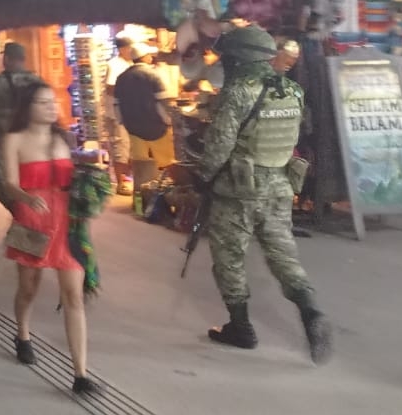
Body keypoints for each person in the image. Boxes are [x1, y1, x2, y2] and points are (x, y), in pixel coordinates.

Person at [195, 24, 332, 364]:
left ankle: (240, 327)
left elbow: (219, 146)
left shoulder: (238, 91)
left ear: (238, 59)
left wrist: (203, 179)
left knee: (229, 259)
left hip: (237, 193)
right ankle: (311, 311)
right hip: (279, 189)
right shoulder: (292, 91)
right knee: (283, 256)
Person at [0, 81, 95, 395]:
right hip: (32, 221)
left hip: (67, 224)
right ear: (27, 107)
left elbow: (75, 176)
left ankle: (80, 374)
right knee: (28, 289)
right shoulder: (14, 140)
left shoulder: (64, 138)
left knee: (74, 296)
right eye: (42, 102)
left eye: (52, 102)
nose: (51, 107)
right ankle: (22, 334)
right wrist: (26, 199)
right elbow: (9, 183)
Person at [0, 42, 42, 201]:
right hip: (33, 140)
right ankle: (30, 206)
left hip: (4, 141)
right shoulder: (36, 81)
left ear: (7, 58)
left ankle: (19, 209)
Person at [114, 43, 176, 190]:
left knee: (140, 164)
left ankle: (141, 197)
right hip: (157, 127)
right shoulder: (154, 75)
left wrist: (123, 122)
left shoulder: (122, 78)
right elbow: (164, 101)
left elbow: (117, 105)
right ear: (145, 57)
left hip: (134, 129)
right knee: (169, 163)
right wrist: (169, 120)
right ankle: (168, 196)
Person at [102, 34, 135, 194]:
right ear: (122, 49)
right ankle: (121, 181)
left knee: (127, 146)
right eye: (129, 47)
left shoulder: (129, 63)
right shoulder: (114, 64)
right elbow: (110, 87)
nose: (131, 50)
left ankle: (127, 179)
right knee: (120, 146)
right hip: (116, 113)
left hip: (126, 111)